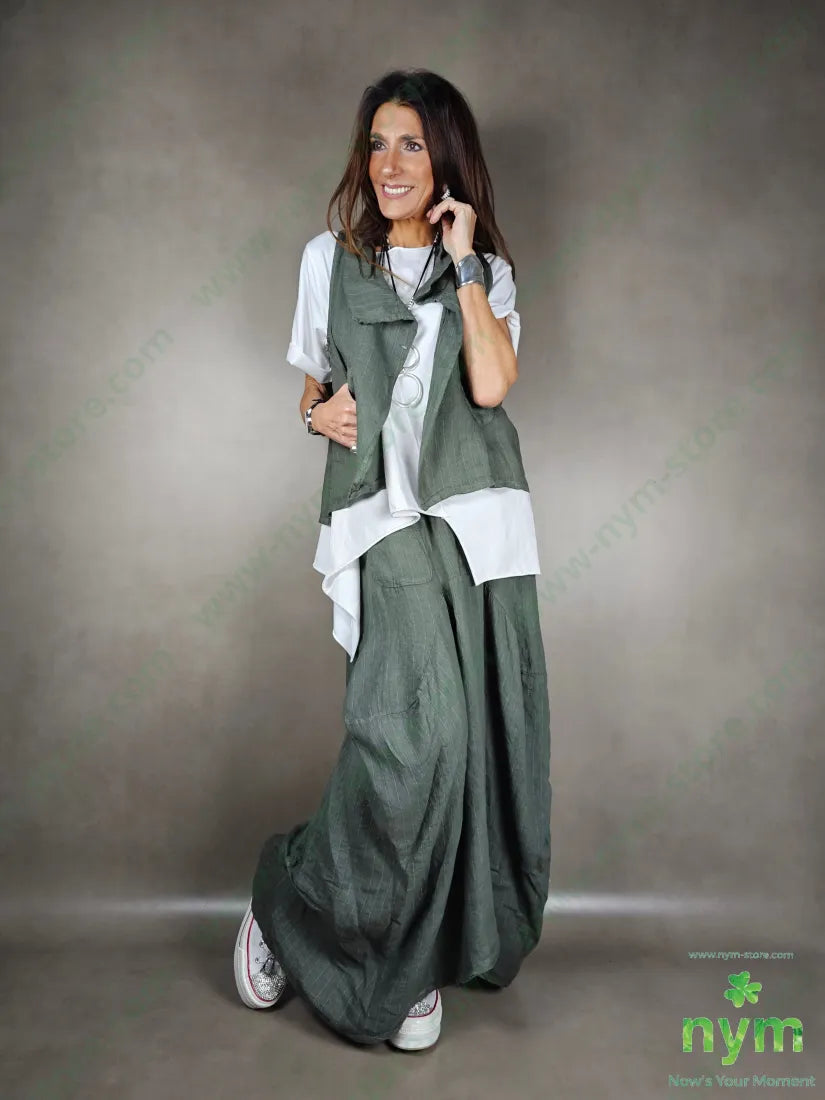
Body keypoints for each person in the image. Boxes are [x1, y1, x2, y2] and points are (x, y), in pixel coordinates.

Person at [234, 68, 552, 1052]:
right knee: (420, 737)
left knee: (485, 740)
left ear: (445, 157)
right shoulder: (327, 259)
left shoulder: (483, 271)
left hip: (480, 525)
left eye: (411, 142)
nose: (388, 162)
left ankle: (416, 946)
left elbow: (491, 385)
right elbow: (313, 386)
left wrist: (463, 265)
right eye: (377, 142)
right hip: (383, 515)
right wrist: (315, 413)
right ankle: (294, 899)